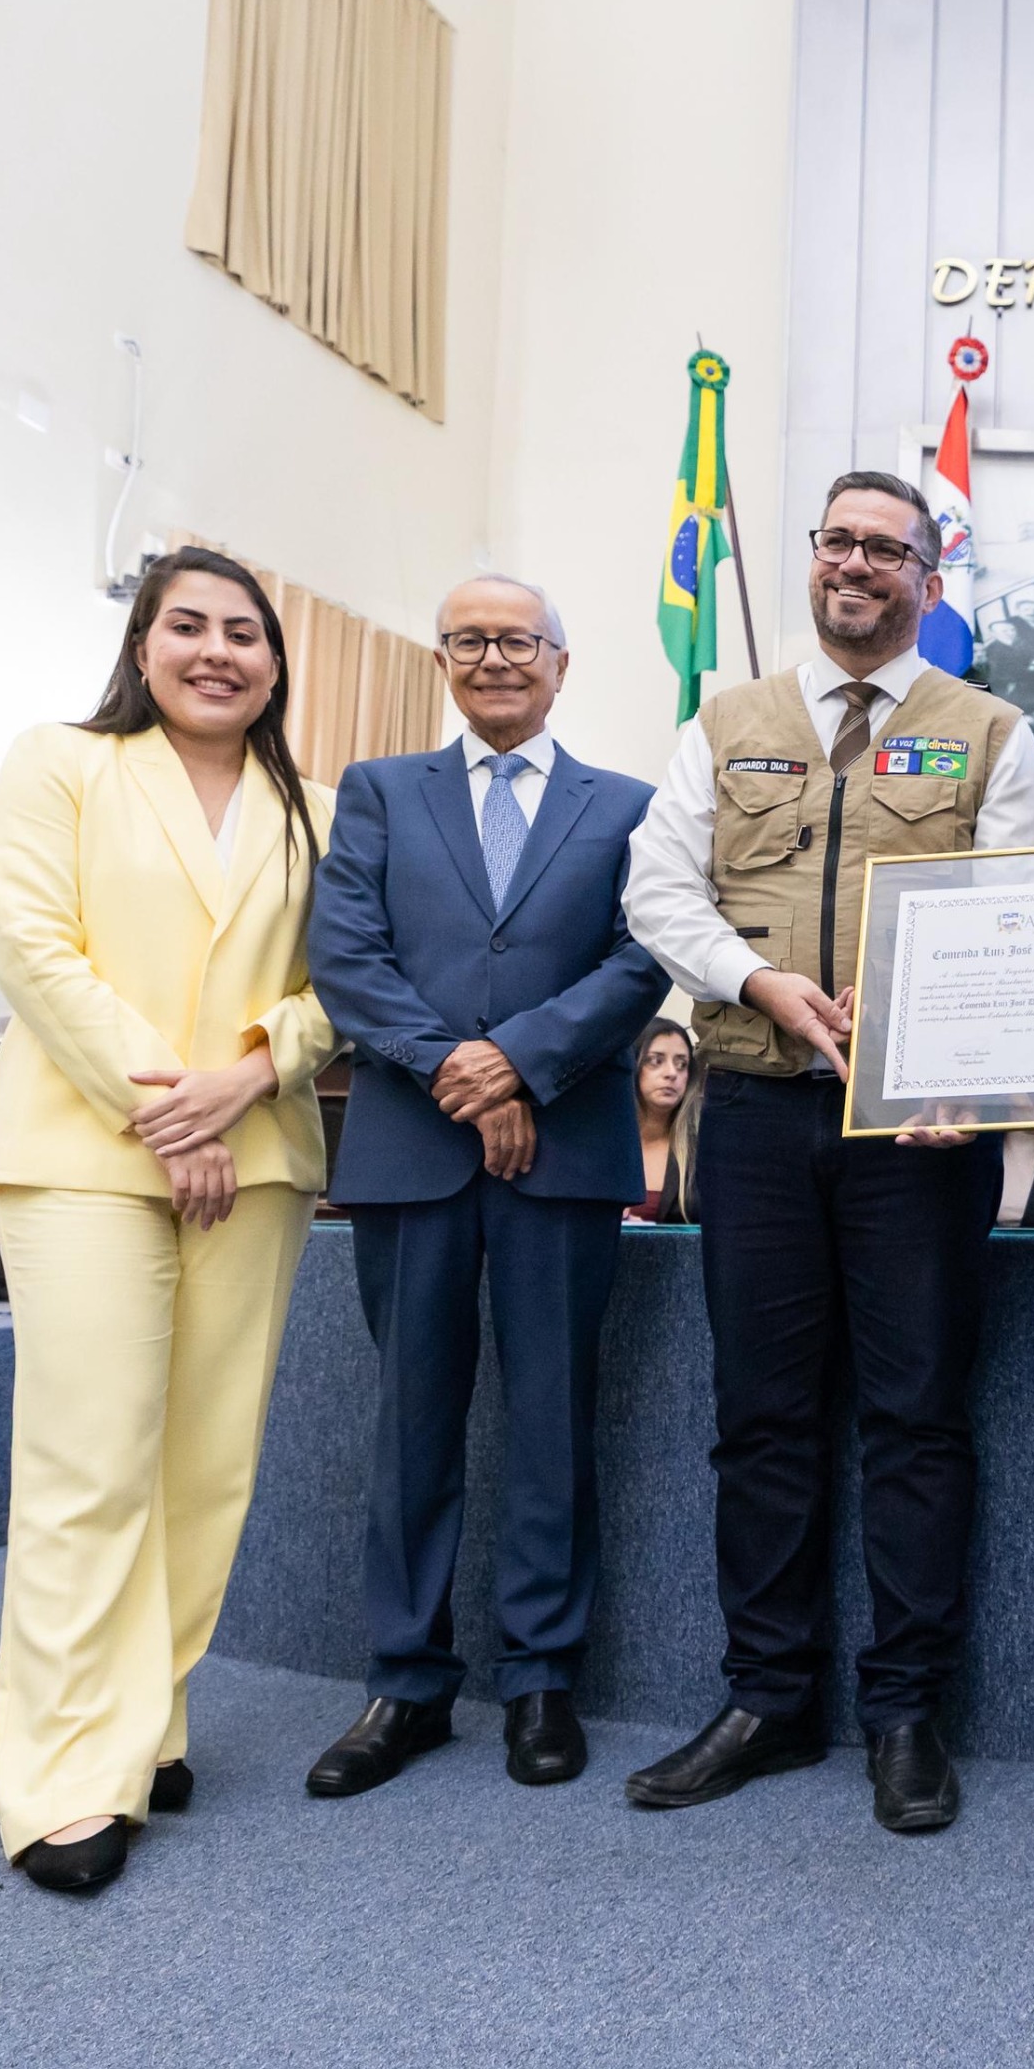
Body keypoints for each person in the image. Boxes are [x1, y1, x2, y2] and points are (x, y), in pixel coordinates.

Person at [619, 471, 1034, 1834]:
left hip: (915, 1132)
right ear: (814, 563)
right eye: (840, 541)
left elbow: (1012, 911)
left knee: (917, 1420)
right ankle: (768, 1696)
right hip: (750, 1113)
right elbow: (656, 891)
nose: (859, 564)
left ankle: (906, 1709)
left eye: (889, 547)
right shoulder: (725, 721)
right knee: (762, 1421)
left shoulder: (990, 732)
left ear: (930, 574)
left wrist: (938, 1029)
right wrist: (756, 983)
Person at [0, 547, 340, 1895]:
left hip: (258, 1156)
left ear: (276, 664)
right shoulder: (59, 764)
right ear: (142, 647)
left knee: (206, 1467)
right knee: (89, 1464)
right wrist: (164, 1111)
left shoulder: (316, 809)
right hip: (83, 1151)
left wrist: (248, 1072)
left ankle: (149, 1720)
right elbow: (32, 942)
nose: (217, 651)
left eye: (246, 632)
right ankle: (63, 1780)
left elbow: (339, 983)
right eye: (188, 626)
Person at [300, 577, 669, 1802]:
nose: (495, 656)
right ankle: (404, 1681)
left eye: (519, 639)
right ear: (442, 659)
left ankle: (540, 1676)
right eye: (471, 639)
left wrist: (522, 1061)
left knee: (553, 1420)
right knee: (411, 1421)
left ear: (562, 664)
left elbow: (642, 959)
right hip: (411, 1149)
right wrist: (459, 1068)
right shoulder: (378, 792)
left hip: (562, 1156)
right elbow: (345, 955)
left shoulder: (627, 806)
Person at [627, 1023, 697, 1223]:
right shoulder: (603, 1140)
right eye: (656, 1061)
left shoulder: (701, 1148)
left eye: (681, 1064)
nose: (671, 1073)